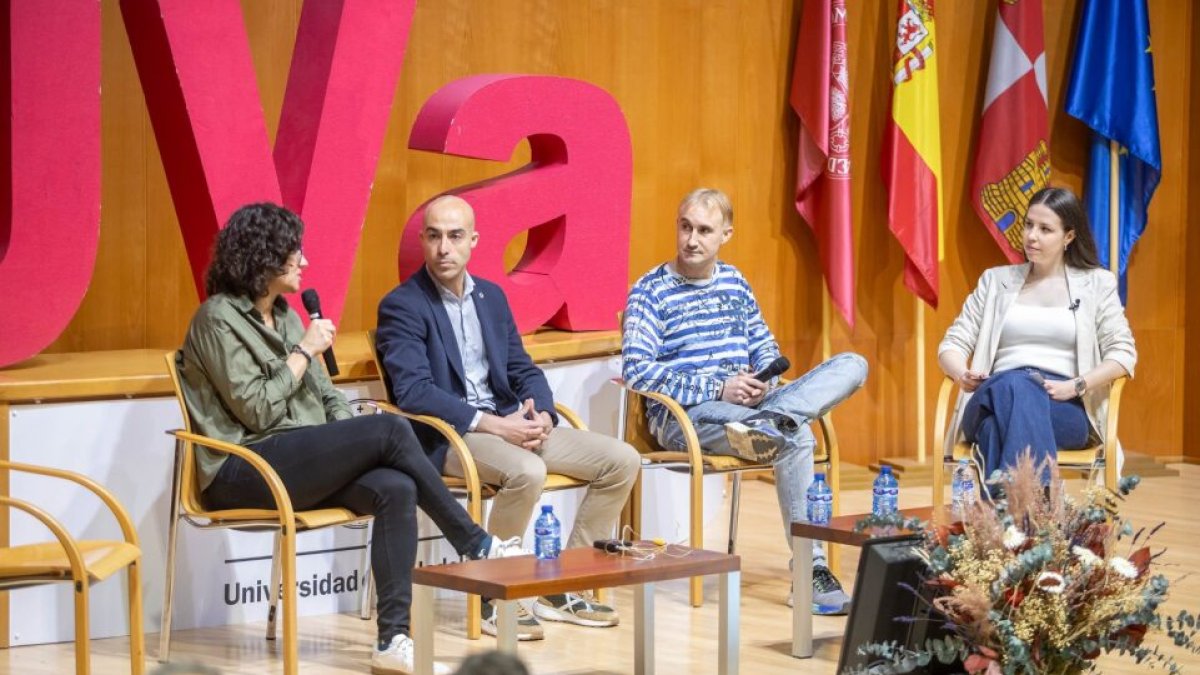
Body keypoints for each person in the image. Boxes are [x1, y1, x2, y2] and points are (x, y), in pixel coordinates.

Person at [178, 203, 526, 675]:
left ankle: (392, 640)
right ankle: (472, 541)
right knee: (388, 426)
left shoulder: (284, 314)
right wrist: (305, 351)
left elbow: (328, 397)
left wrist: (343, 430)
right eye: (294, 252)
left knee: (395, 487)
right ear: (265, 257)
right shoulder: (216, 318)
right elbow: (256, 410)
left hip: (296, 459)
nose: (304, 262)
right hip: (242, 468)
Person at [375, 195, 641, 640]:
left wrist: (542, 414)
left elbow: (522, 369)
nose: (445, 248)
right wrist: (494, 425)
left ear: (473, 241)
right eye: (435, 236)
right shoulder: (403, 305)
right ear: (422, 240)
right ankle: (494, 596)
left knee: (622, 460)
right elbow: (413, 392)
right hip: (450, 437)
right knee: (527, 471)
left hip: (510, 424)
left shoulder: (492, 298)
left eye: (455, 236)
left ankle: (562, 586)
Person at [621, 187, 867, 614]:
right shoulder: (650, 291)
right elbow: (637, 372)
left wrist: (764, 382)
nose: (691, 239)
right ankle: (810, 572)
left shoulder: (734, 282)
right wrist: (719, 388)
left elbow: (766, 350)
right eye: (685, 227)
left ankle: (773, 419)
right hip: (688, 417)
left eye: (703, 230)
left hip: (752, 408)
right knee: (798, 438)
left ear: (725, 235)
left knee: (853, 364)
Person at [938, 187, 1137, 481]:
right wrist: (961, 374)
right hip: (991, 394)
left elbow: (1123, 353)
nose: (1032, 236)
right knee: (1016, 383)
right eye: (1029, 225)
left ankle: (1009, 522)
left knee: (994, 431)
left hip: (1063, 406)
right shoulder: (995, 281)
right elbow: (953, 343)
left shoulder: (1096, 284)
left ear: (1068, 236)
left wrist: (1077, 385)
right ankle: (1042, 512)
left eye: (1045, 229)